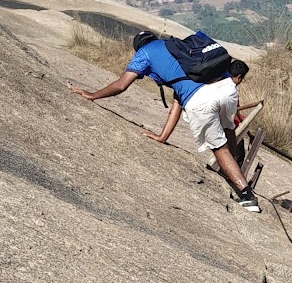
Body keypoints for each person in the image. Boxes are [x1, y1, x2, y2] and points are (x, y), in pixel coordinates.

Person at [70, 38, 261, 213]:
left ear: (139, 46)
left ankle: (247, 195)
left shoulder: (145, 53)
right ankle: (233, 172)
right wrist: (162, 137)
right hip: (227, 88)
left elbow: (122, 85)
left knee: (219, 148)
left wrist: (92, 95)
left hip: (201, 100)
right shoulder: (175, 49)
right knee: (228, 128)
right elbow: (178, 101)